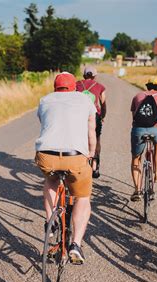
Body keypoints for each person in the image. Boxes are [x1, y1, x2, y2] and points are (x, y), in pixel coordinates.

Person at [35, 72, 97, 264]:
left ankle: (51, 221)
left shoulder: (44, 100)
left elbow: (45, 124)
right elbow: (91, 131)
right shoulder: (85, 100)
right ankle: (76, 245)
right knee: (82, 197)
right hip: (75, 156)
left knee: (50, 180)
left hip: (47, 155)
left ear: (55, 87)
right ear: (74, 87)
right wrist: (92, 154)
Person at [130, 77, 157, 201]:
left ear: (147, 86)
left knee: (136, 158)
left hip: (139, 130)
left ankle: (137, 190)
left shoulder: (137, 96)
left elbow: (134, 118)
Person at [76, 66, 106, 178]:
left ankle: (79, 163)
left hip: (79, 116)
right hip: (95, 115)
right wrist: (103, 116)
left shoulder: (76, 85)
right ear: (94, 76)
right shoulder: (100, 87)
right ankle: (94, 165)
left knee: (79, 137)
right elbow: (103, 104)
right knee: (96, 138)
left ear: (84, 75)